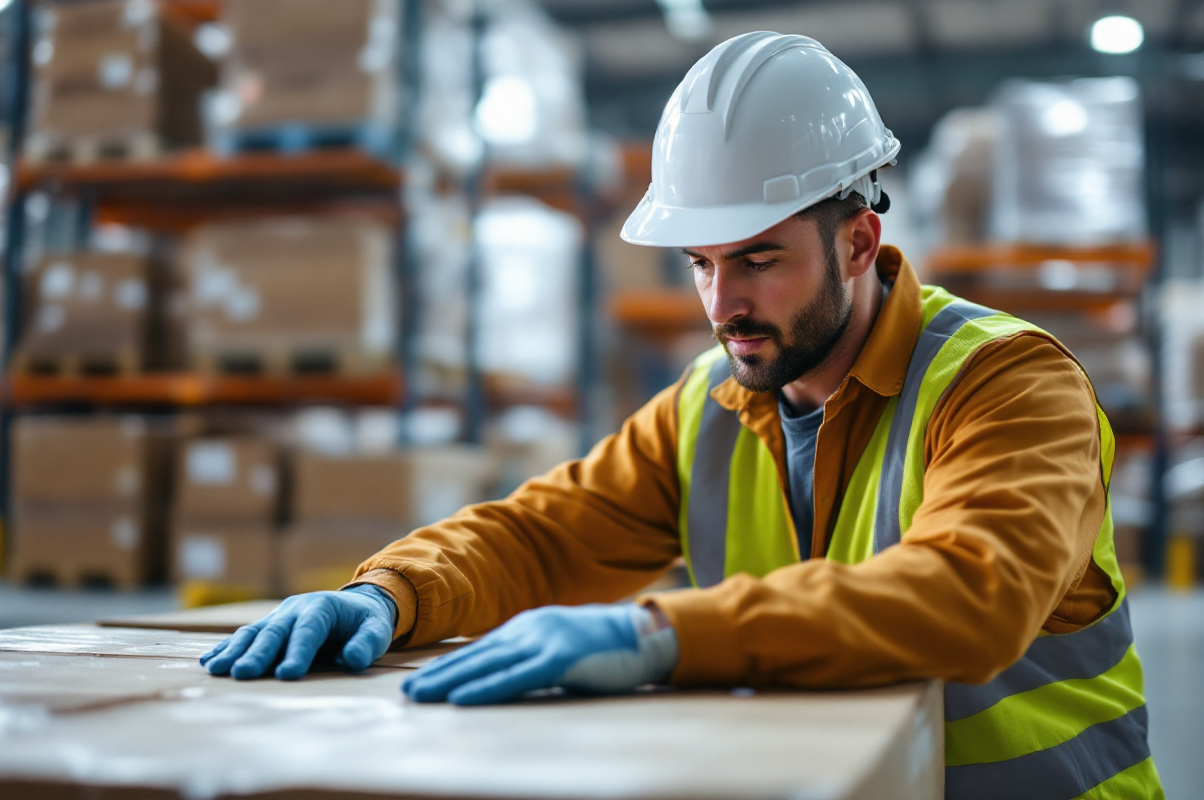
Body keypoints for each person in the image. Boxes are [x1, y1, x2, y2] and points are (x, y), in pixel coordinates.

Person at [201, 32, 1163, 799]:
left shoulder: (1010, 386)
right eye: (699, 263)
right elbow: (541, 537)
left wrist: (655, 637)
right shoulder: (711, 403)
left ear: (859, 240)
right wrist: (391, 594)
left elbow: (970, 597)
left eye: (756, 259)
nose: (720, 304)